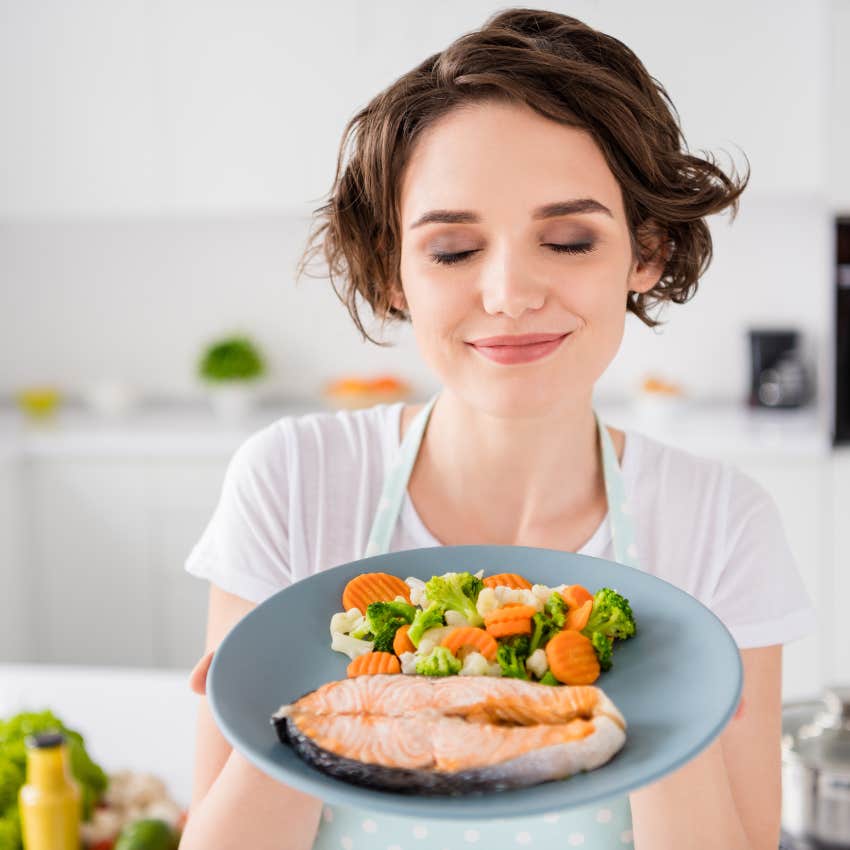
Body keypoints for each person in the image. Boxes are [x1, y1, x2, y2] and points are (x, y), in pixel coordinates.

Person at [178, 8, 817, 850]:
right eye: (452, 251)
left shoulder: (720, 523)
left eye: (567, 238)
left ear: (647, 251)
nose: (510, 293)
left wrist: (674, 701)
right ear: (394, 271)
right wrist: (303, 697)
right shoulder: (294, 480)